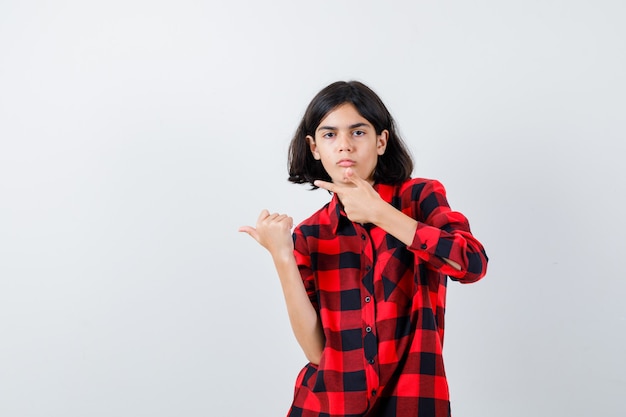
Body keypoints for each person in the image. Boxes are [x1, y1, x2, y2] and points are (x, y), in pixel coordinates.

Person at [239, 80, 488, 417]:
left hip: (411, 403)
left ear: (381, 141)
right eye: (330, 135)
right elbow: (316, 352)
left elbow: (471, 265)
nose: (344, 146)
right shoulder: (310, 235)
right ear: (314, 147)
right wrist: (282, 256)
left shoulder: (419, 198)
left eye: (358, 132)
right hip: (327, 407)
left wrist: (381, 214)